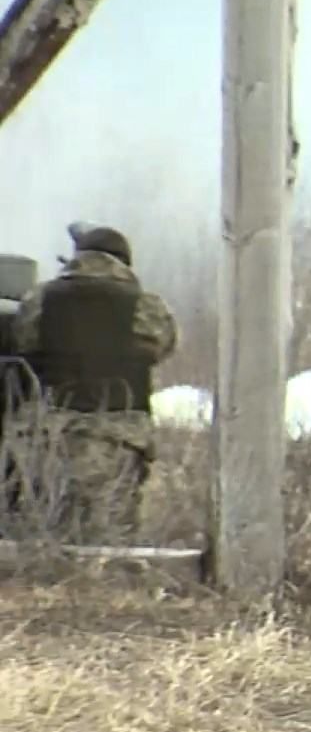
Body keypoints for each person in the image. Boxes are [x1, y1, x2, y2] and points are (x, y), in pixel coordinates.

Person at [0, 222, 178, 543]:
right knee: (109, 540)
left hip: (48, 432)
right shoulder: (146, 306)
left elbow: (22, 341)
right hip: (116, 438)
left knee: (38, 531)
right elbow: (162, 345)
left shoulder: (39, 300)